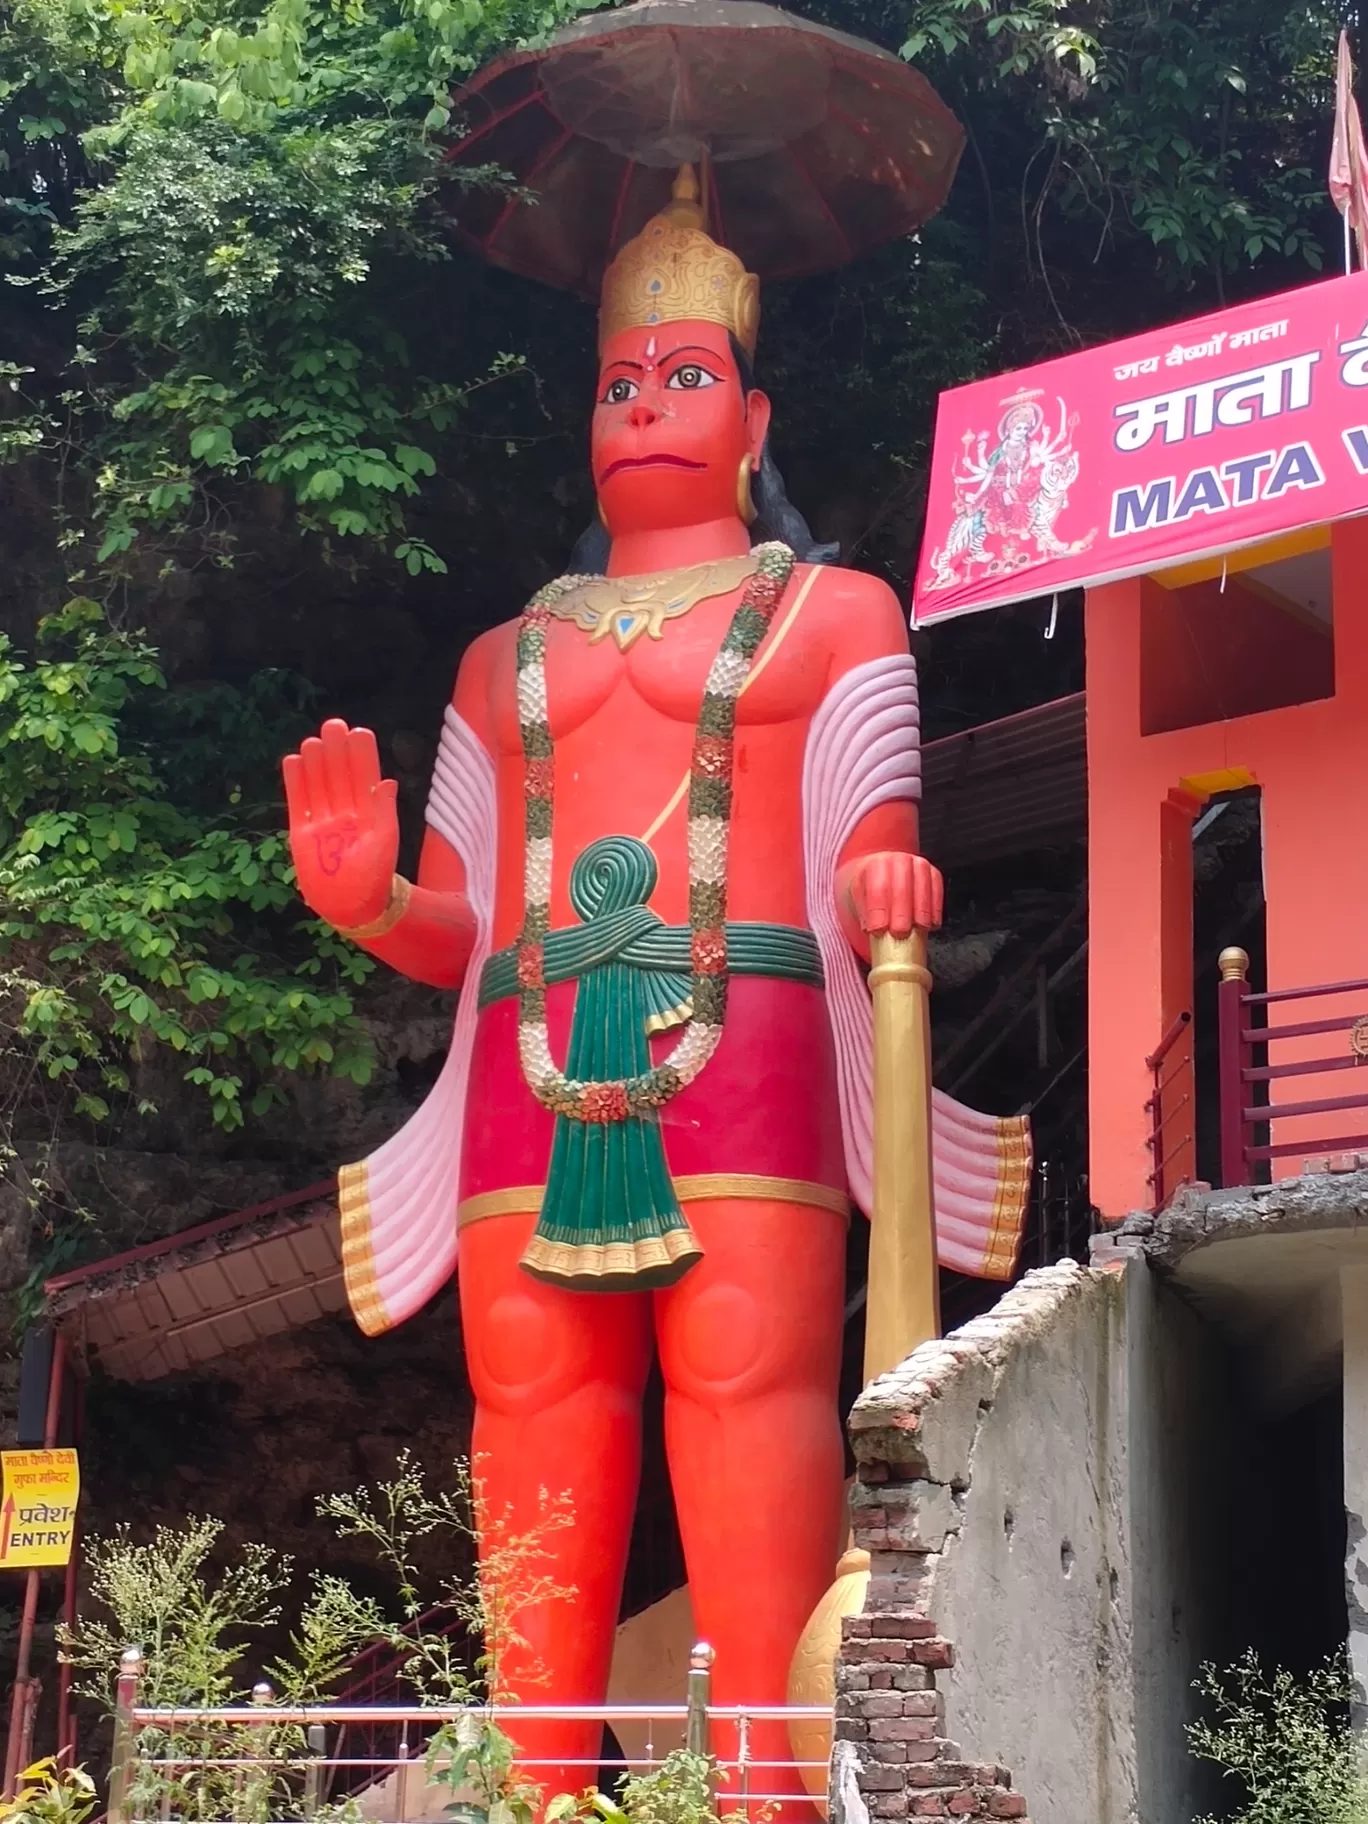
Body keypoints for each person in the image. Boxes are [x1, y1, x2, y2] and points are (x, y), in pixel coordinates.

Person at [282, 168, 1028, 1816]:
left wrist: (885, 879)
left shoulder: (836, 616)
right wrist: (371, 901)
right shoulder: (503, 656)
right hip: (524, 1061)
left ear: (754, 414)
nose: (641, 408)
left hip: (738, 1039)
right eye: (618, 384)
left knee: (752, 1377)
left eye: (681, 376)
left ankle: (763, 1793)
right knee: (534, 1399)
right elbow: (458, 921)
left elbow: (874, 824)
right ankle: (540, 1792)